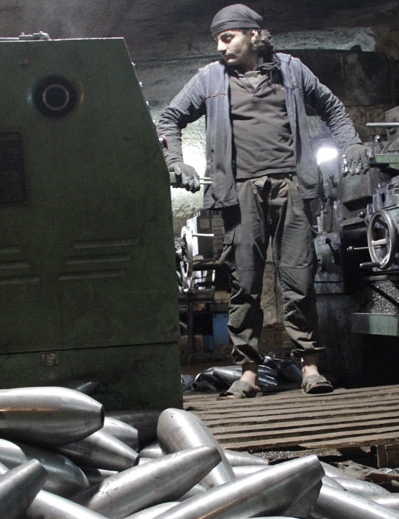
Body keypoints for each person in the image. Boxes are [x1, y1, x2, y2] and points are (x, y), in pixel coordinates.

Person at [157, 3, 370, 398]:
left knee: (299, 279)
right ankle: (249, 373)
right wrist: (176, 162)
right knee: (245, 282)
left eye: (227, 38)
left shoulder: (292, 70)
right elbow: (170, 118)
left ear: (253, 35)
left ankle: (310, 367)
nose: (220, 47)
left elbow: (332, 107)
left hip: (292, 187)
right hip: (239, 192)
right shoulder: (210, 78)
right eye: (217, 40)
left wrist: (352, 143)